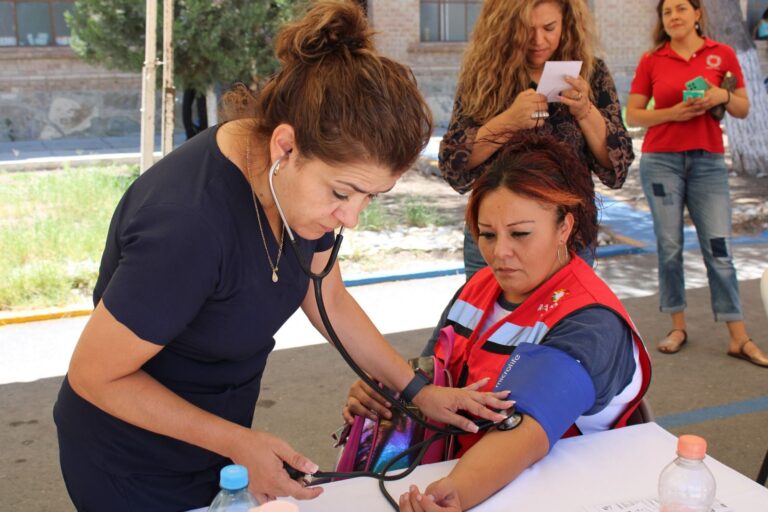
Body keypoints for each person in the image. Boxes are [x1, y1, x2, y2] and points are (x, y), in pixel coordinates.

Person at [51, 2, 513, 511]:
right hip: (132, 462)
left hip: (215, 444)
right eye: (343, 193)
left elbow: (328, 298)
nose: (352, 218)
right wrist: (237, 442)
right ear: (285, 146)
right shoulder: (188, 225)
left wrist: (418, 392)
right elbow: (94, 376)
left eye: (369, 198)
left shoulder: (293, 191)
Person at [344, 132, 651, 512]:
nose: (500, 253)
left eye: (520, 233)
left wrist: (456, 492)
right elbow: (432, 377)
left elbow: (523, 430)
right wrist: (390, 396)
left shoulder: (590, 321)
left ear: (564, 228)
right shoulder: (479, 287)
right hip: (450, 477)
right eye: (487, 235)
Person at [439, 0, 634, 278]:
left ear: (567, 23)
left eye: (549, 28)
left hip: (568, 238)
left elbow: (618, 166)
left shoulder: (590, 72)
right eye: (525, 29)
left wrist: (585, 111)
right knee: (493, 321)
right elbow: (453, 164)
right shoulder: (484, 74)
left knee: (563, 320)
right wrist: (508, 122)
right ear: (504, 27)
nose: (538, 40)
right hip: (498, 236)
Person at [626, 0, 768, 367]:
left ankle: (738, 336)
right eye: (667, 11)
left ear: (697, 14)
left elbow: (742, 108)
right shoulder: (651, 60)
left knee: (720, 249)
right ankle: (677, 326)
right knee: (670, 247)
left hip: (708, 163)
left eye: (680, 9)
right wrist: (673, 113)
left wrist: (721, 94)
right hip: (661, 163)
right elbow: (634, 113)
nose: (673, 16)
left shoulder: (721, 55)